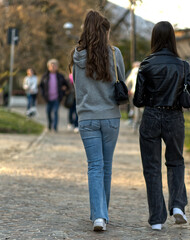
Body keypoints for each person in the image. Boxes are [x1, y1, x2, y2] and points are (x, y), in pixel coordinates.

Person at [133, 21, 190, 231]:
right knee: (175, 162)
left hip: (151, 116)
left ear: (154, 38)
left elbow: (137, 100)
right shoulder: (183, 65)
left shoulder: (145, 65)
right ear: (173, 38)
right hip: (174, 118)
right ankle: (178, 206)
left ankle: (156, 219)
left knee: (151, 168)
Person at [69, 10, 125, 232]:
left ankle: (98, 215)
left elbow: (77, 87)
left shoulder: (76, 55)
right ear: (104, 31)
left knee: (94, 166)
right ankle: (102, 214)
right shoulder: (114, 53)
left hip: (87, 118)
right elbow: (120, 78)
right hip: (110, 116)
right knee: (106, 166)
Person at [39, 59, 69, 132]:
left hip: (57, 98)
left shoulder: (60, 76)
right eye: (51, 66)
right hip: (48, 98)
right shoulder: (45, 76)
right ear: (48, 67)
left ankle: (55, 127)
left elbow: (66, 85)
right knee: (48, 112)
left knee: (55, 112)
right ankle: (49, 125)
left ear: (57, 67)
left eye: (54, 66)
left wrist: (64, 89)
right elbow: (40, 86)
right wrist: (43, 94)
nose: (53, 67)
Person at [126, 61, 141, 132]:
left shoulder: (133, 71)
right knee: (142, 110)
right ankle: (140, 124)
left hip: (134, 92)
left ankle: (135, 126)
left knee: (136, 109)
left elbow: (128, 81)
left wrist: (127, 89)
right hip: (143, 93)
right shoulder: (144, 70)